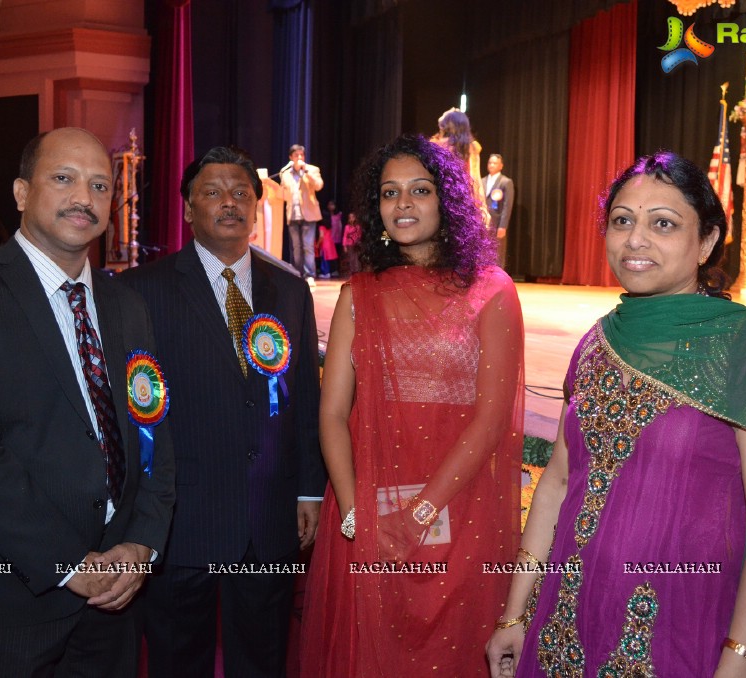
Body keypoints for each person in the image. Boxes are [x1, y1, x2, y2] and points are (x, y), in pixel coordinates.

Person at [486, 152, 746, 678]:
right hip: (563, 624)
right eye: (622, 221)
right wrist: (514, 614)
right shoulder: (597, 342)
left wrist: (738, 665)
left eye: (663, 223)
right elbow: (558, 483)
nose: (635, 239)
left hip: (680, 631)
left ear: (705, 242)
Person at [0, 127, 176, 677]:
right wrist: (65, 563)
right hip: (12, 596)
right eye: (64, 179)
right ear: (21, 193)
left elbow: (154, 434)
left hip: (116, 596)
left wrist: (142, 544)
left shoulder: (128, 305)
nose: (84, 197)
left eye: (100, 185)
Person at [300, 134, 525, 677]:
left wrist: (420, 513)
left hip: (461, 509)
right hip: (367, 506)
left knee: (451, 652)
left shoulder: (491, 290)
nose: (402, 205)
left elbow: (492, 420)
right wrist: (355, 513)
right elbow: (331, 413)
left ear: (446, 201)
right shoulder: (359, 294)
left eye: (419, 191)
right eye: (389, 193)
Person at [120, 145, 324, 678]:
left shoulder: (290, 289)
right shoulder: (143, 290)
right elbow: (135, 415)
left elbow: (303, 398)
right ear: (188, 208)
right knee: (176, 660)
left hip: (269, 512)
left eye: (240, 193)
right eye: (211, 192)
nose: (228, 203)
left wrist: (308, 489)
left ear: (257, 207)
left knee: (262, 659)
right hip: (181, 518)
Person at [280, 144, 324, 286]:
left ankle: (309, 275)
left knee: (308, 246)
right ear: (291, 157)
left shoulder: (312, 170)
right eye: (296, 155)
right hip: (292, 214)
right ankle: (297, 274)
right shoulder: (285, 173)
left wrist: (306, 171)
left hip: (308, 215)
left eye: (302, 155)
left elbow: (319, 185)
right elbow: (282, 193)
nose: (299, 158)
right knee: (296, 248)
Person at [430, 107, 486, 215]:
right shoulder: (471, 147)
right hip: (462, 200)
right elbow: (475, 178)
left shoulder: (435, 145)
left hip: (438, 197)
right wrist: (481, 207)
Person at [484, 154, 515, 268]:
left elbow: (507, 205)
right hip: (483, 222)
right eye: (490, 163)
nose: (491, 165)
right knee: (483, 250)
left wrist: (503, 225)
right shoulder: (482, 180)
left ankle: (498, 277)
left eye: (494, 163)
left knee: (498, 250)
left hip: (497, 222)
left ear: (501, 166)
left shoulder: (505, 182)